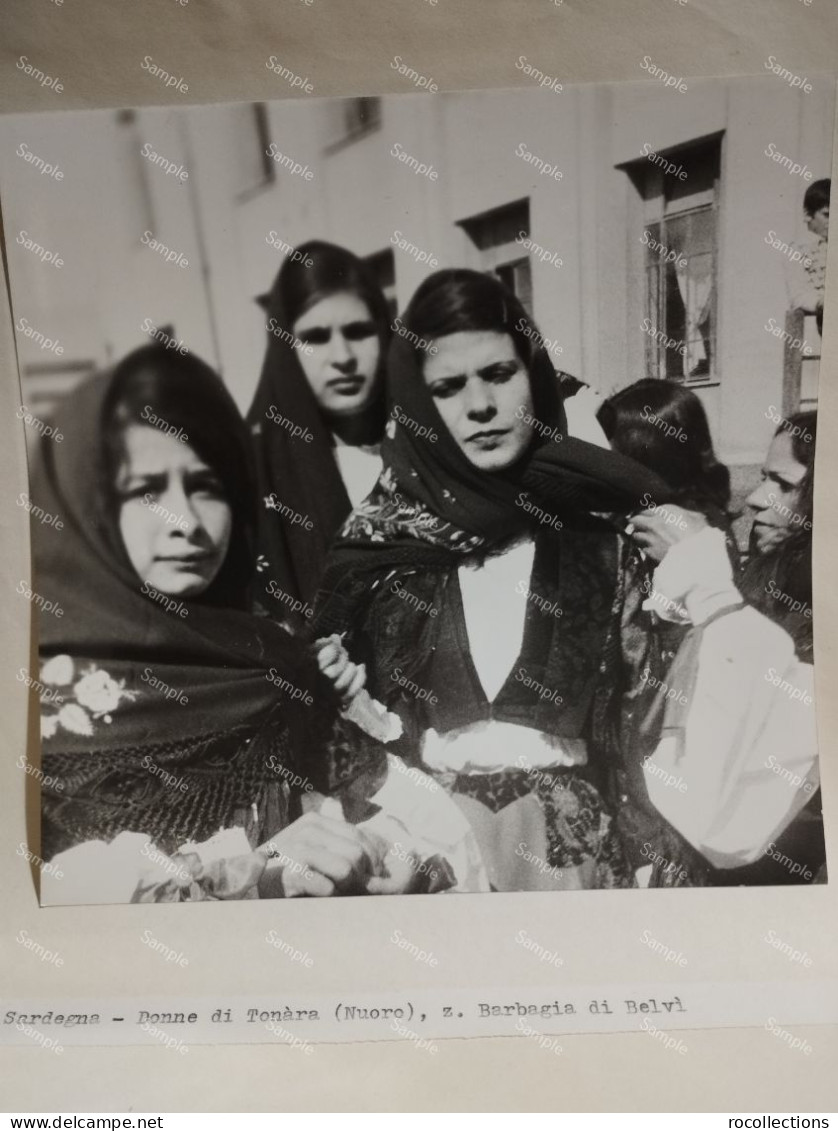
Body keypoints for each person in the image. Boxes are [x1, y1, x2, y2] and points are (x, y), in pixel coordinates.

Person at [30, 344, 479, 902]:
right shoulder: (32, 699)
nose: (185, 523)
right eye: (145, 491)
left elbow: (410, 816)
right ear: (87, 507)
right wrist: (251, 875)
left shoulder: (274, 662)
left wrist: (387, 860)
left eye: (206, 487)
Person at [312, 269, 678, 892]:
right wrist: (340, 696)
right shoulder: (380, 560)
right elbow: (338, 750)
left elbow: (645, 734)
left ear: (531, 378)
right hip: (428, 869)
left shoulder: (607, 551)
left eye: (499, 375)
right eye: (448, 388)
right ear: (420, 406)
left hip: (581, 877)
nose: (479, 406)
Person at [627, 411, 822, 882]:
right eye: (762, 478)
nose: (755, 500)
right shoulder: (774, 581)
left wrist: (707, 584)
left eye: (783, 482)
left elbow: (723, 817)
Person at [247, 241, 391, 624]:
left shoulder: (422, 444)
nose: (343, 358)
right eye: (315, 338)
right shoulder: (253, 475)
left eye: (359, 332)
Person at [785, 179, 830, 336]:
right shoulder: (798, 249)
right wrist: (820, 302)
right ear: (807, 215)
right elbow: (798, 296)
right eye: (827, 215)